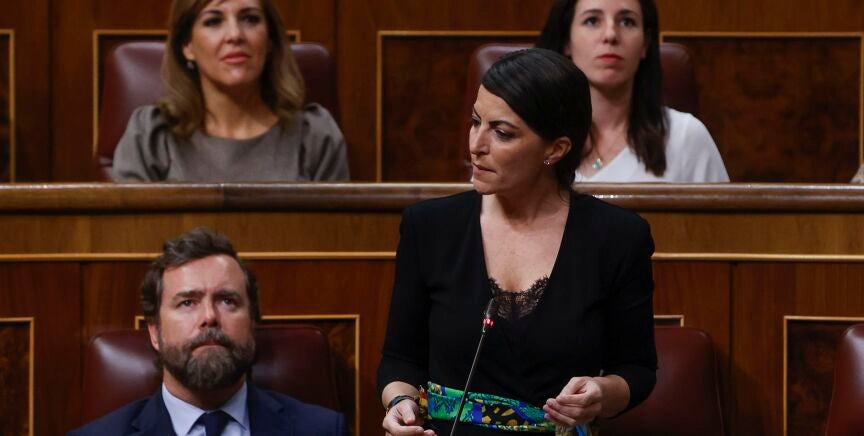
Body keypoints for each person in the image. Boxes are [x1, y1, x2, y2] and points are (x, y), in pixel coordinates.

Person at [377, 48, 656, 436]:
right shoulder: (429, 227)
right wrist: (400, 403)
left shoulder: (617, 237)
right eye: (476, 122)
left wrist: (602, 392)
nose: (476, 144)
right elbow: (400, 360)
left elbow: (637, 369)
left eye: (502, 133)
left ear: (555, 149)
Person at [69, 228, 345, 435]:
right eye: (188, 302)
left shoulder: (322, 430)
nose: (210, 317)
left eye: (227, 300)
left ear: (252, 323)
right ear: (154, 331)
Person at [111, 0, 349, 182]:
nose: (235, 35)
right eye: (213, 21)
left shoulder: (315, 136)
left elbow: (336, 232)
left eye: (250, 19)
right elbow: (131, 231)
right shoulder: (151, 135)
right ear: (187, 46)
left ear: (270, 41)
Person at [536, 0, 728, 183]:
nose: (610, 35)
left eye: (627, 22)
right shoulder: (533, 135)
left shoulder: (686, 136)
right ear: (566, 41)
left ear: (645, 43)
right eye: (592, 21)